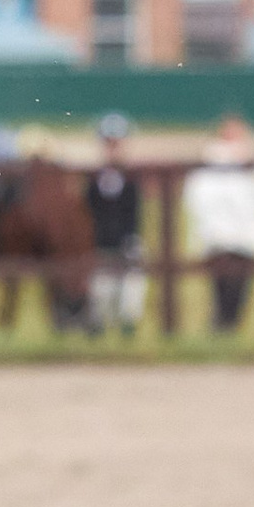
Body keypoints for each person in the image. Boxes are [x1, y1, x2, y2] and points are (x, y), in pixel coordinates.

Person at [182, 114, 254, 334]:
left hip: (241, 239)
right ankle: (222, 329)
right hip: (221, 239)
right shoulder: (211, 167)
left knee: (237, 291)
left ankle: (225, 331)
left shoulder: (252, 168)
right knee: (224, 289)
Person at [84, 111, 147, 337]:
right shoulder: (92, 178)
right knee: (101, 291)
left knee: (131, 289)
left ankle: (127, 329)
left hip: (127, 239)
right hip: (101, 241)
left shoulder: (132, 177)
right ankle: (98, 330)